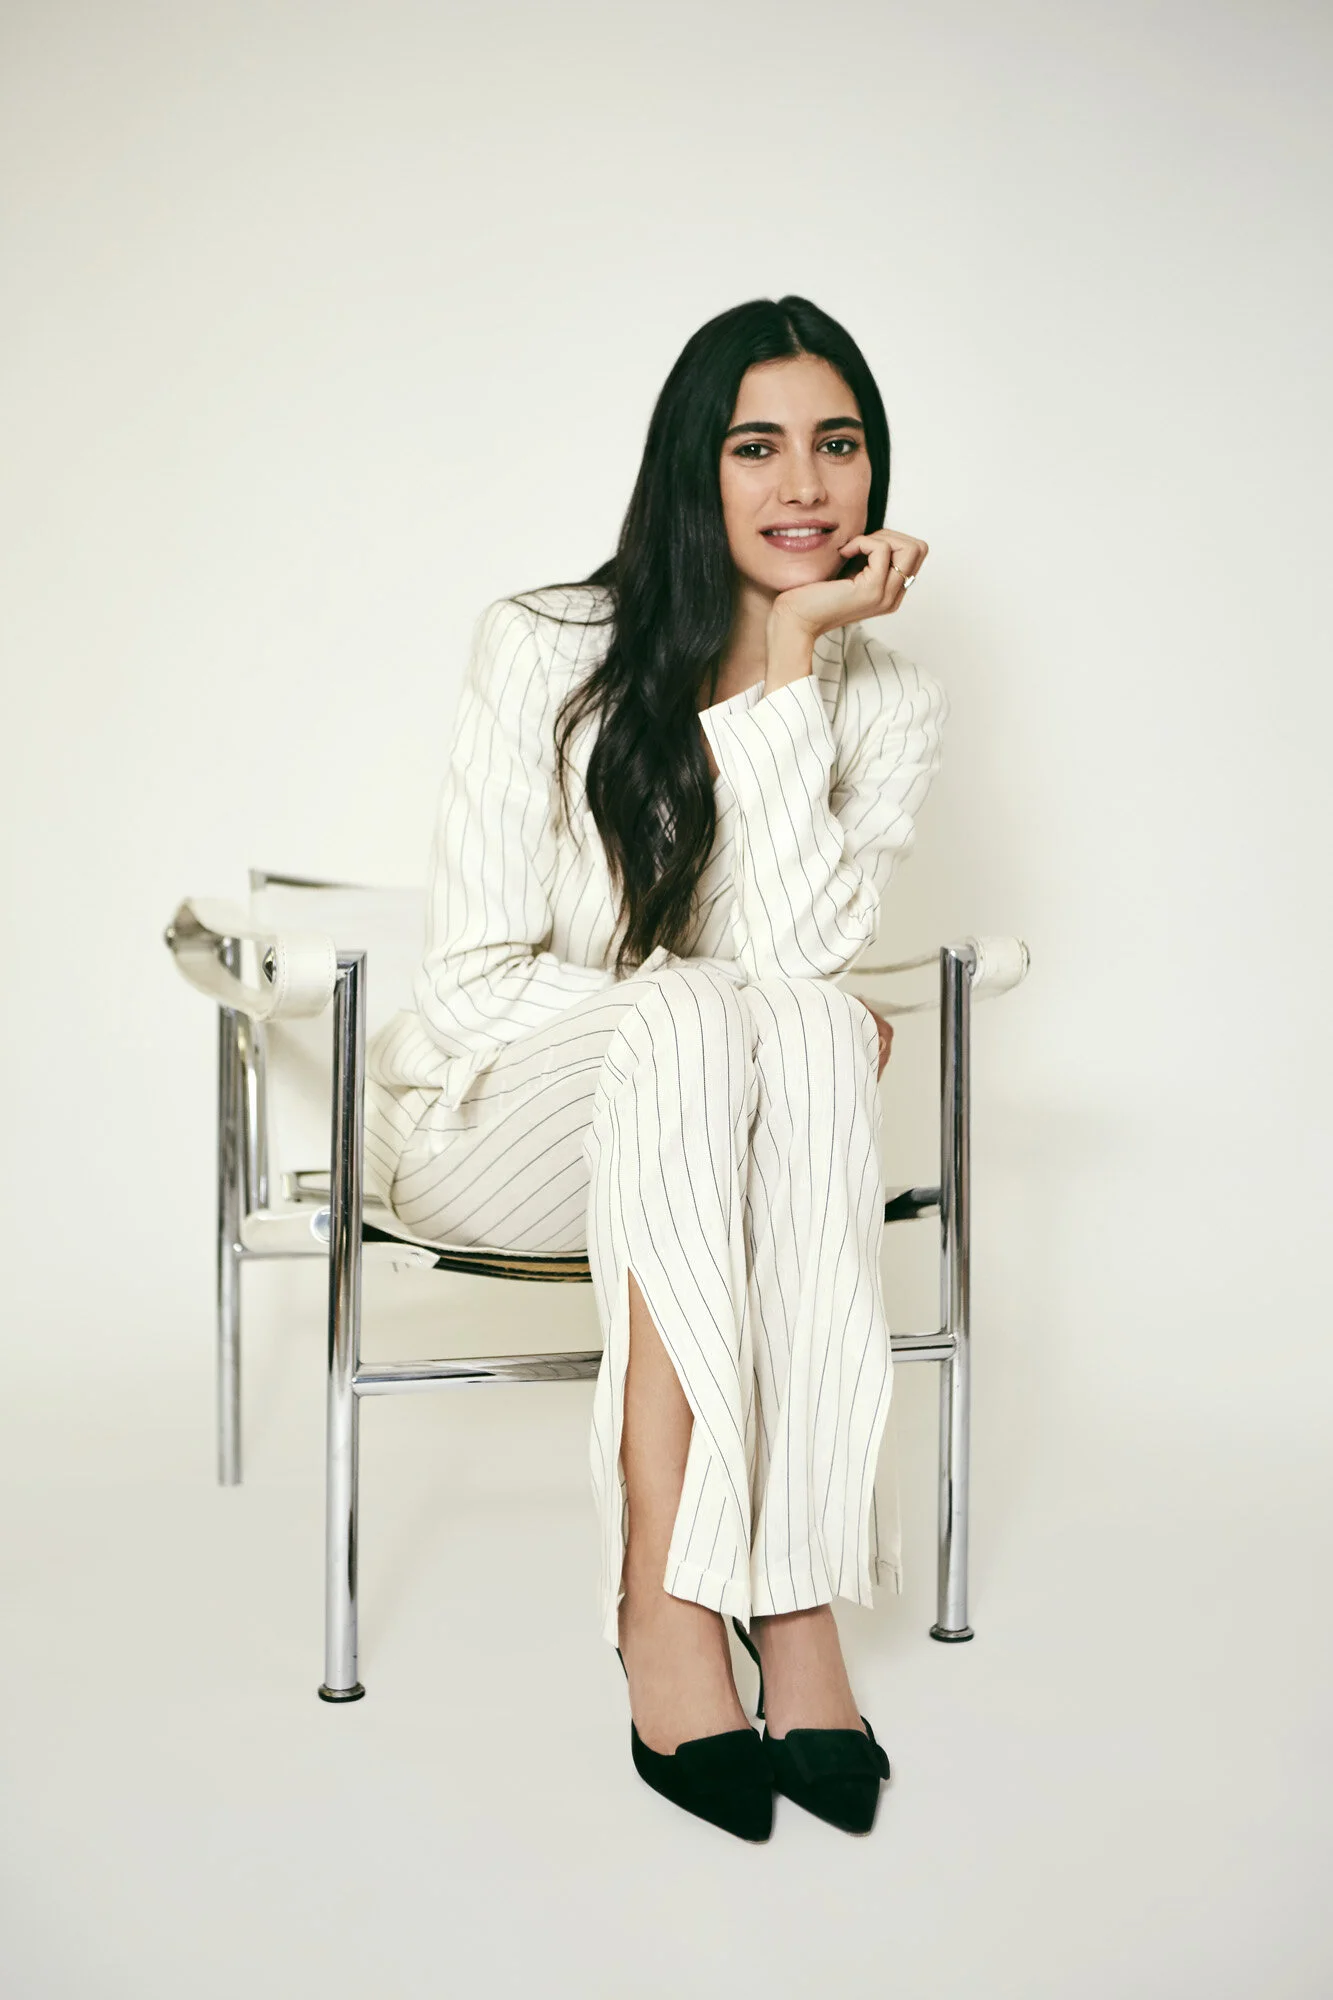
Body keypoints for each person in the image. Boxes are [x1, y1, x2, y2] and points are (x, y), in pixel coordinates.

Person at [363, 294, 949, 1841]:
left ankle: (793, 1592)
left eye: (838, 444)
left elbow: (798, 963)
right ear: (694, 465)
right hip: (491, 1125)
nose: (805, 485)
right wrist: (705, 1013)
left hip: (710, 1141)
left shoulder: (885, 696)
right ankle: (667, 1591)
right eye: (757, 447)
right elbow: (474, 985)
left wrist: (792, 658)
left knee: (802, 1022)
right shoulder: (544, 644)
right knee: (729, 1018)